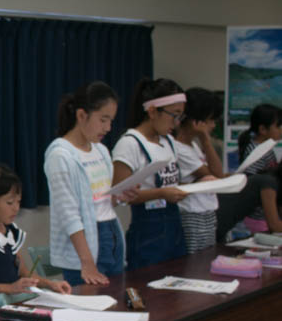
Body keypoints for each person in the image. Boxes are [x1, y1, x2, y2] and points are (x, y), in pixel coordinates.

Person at [44, 81, 133, 287]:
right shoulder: (60, 155)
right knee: (91, 309)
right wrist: (87, 262)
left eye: (111, 120)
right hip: (84, 245)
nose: (108, 128)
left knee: (116, 302)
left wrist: (120, 197)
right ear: (82, 115)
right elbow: (69, 214)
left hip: (111, 234)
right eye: (103, 120)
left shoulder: (100, 150)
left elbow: (102, 203)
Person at [0, 163, 70, 310]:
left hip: (10, 308)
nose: (16, 208)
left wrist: (51, 284)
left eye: (18, 202)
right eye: (9, 202)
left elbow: (25, 273)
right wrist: (9, 288)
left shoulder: (10, 231)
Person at [112, 78, 188, 269]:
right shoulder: (130, 143)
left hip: (174, 228)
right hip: (148, 233)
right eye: (174, 115)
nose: (176, 123)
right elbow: (120, 194)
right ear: (153, 111)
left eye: (181, 117)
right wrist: (162, 193)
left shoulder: (168, 141)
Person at [173, 88, 224, 253]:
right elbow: (217, 175)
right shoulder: (179, 148)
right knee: (195, 265)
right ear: (196, 121)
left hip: (206, 213)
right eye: (210, 120)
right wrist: (205, 139)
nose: (213, 125)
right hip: (193, 216)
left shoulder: (192, 145)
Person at [236, 103, 281, 232]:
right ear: (263, 129)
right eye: (278, 126)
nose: (281, 130)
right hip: (257, 217)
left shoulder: (267, 148)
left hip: (265, 215)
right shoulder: (255, 151)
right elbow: (251, 183)